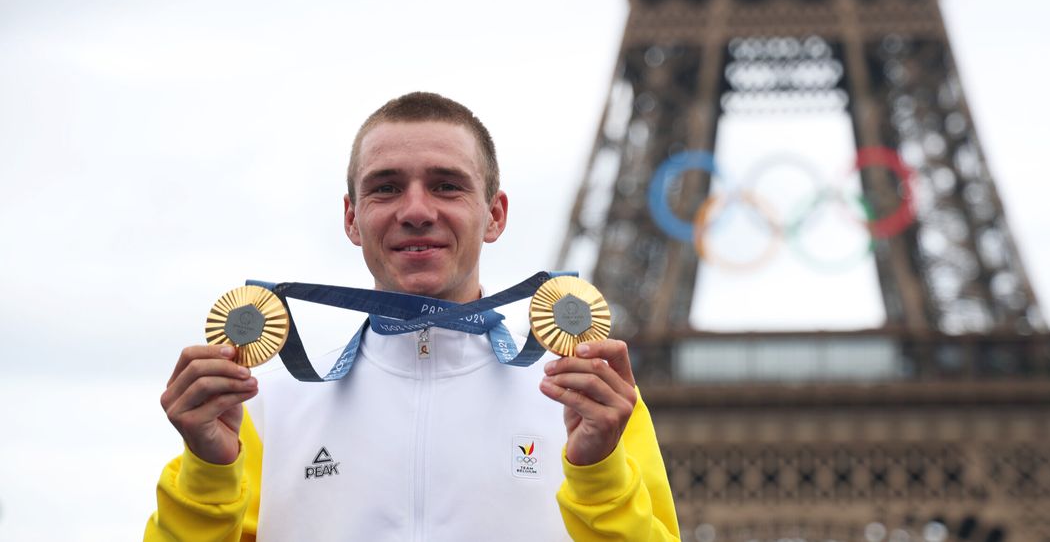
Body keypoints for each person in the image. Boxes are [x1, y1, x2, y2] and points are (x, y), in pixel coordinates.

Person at [145, 92, 680, 541]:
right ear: (353, 219)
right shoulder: (265, 409)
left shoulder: (592, 403)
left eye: (447, 185)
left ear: (494, 215)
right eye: (386, 187)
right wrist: (206, 476)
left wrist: (600, 476)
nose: (417, 210)